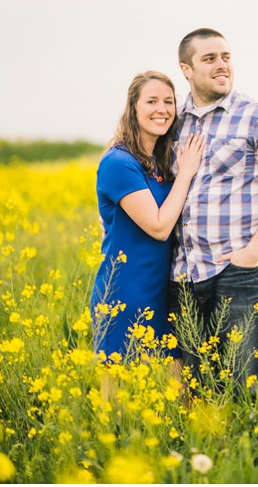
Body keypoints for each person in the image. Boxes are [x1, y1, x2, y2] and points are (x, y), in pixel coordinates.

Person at [168, 28, 258, 401]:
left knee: (249, 385)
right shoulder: (173, 123)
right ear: (187, 69)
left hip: (240, 271)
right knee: (196, 393)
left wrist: (255, 250)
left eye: (226, 57)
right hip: (185, 275)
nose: (221, 65)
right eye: (209, 59)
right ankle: (206, 459)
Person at [91, 70, 205, 399]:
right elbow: (158, 226)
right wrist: (186, 173)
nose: (162, 109)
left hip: (162, 291)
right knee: (117, 399)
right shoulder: (118, 161)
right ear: (133, 108)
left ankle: (186, 450)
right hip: (123, 294)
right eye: (151, 101)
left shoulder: (158, 162)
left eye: (169, 101)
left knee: (182, 393)